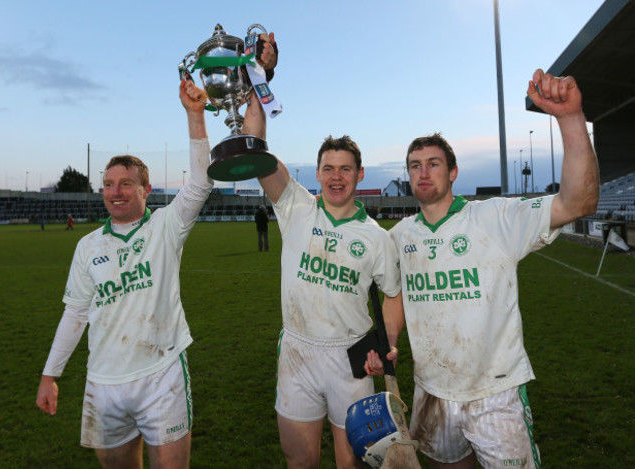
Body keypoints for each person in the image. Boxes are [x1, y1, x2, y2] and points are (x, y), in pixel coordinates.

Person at [35, 39, 278, 467]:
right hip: (104, 382)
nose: (116, 191)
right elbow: (74, 314)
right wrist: (50, 374)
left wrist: (195, 116)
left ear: (146, 190)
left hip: (161, 375)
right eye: (109, 184)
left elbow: (201, 184)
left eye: (126, 183)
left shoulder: (166, 225)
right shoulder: (86, 247)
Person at [369, 69, 599, 468]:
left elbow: (578, 203)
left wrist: (570, 118)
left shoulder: (497, 217)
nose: (423, 173)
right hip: (432, 390)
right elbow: (396, 295)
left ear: (453, 172)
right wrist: (388, 338)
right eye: (415, 165)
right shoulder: (400, 236)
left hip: (495, 393)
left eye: (433, 164)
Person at [232, 37, 403, 467]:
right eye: (328, 168)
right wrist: (261, 76)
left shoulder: (377, 237)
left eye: (345, 168)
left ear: (359, 174)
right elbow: (252, 144)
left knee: (352, 464)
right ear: (318, 172)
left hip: (351, 360)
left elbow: (393, 294)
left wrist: (387, 345)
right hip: (297, 353)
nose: (336, 176)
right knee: (300, 461)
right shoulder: (295, 206)